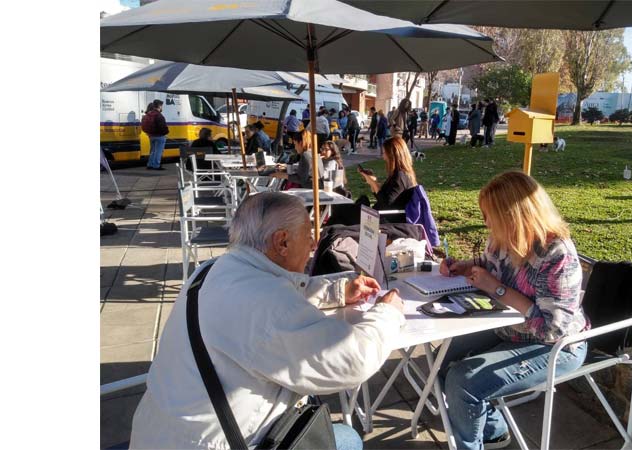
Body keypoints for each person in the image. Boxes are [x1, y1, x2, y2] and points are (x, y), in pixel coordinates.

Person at [129, 191, 405, 450]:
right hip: (215, 444)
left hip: (158, 432)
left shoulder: (212, 270)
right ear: (282, 242)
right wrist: (388, 312)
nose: (313, 244)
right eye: (308, 234)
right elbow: (351, 359)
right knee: (348, 438)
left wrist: (338, 290)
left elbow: (281, 291)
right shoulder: (266, 305)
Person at [438, 171, 590, 450]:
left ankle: (469, 442)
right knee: (442, 361)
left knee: (462, 381)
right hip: (509, 328)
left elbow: (552, 330)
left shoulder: (557, 254)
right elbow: (488, 263)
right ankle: (493, 430)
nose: (485, 222)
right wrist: (463, 266)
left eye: (489, 215)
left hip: (557, 347)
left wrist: (498, 290)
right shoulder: (503, 238)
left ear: (512, 216)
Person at [357, 136, 417, 210]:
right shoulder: (401, 173)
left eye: (385, 153)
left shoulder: (399, 176)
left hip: (386, 215)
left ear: (392, 155)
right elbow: (381, 196)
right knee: (362, 200)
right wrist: (372, 181)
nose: (383, 157)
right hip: (381, 212)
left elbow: (386, 204)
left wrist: (373, 183)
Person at [141, 99, 169, 170]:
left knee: (152, 151)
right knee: (158, 151)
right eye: (161, 106)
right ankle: (156, 165)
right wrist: (166, 132)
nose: (162, 107)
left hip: (151, 136)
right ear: (159, 106)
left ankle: (150, 164)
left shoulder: (149, 114)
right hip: (159, 136)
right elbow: (163, 127)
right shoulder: (159, 115)